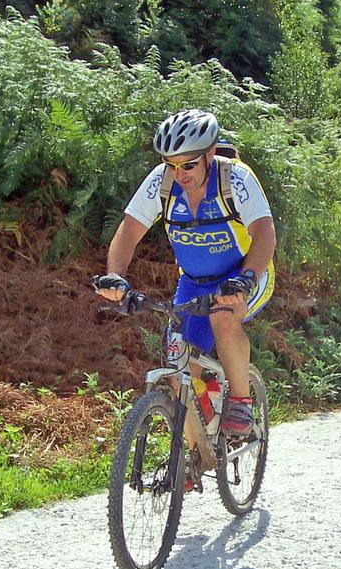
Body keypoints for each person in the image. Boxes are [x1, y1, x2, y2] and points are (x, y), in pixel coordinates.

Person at [94, 109, 277, 436]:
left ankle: (240, 400)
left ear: (210, 153)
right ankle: (193, 456)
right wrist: (116, 276)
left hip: (244, 274)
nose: (179, 174)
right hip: (193, 282)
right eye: (171, 165)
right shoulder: (161, 182)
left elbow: (264, 233)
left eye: (188, 165)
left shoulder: (235, 178)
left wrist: (247, 278)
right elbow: (128, 232)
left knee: (224, 316)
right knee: (179, 366)